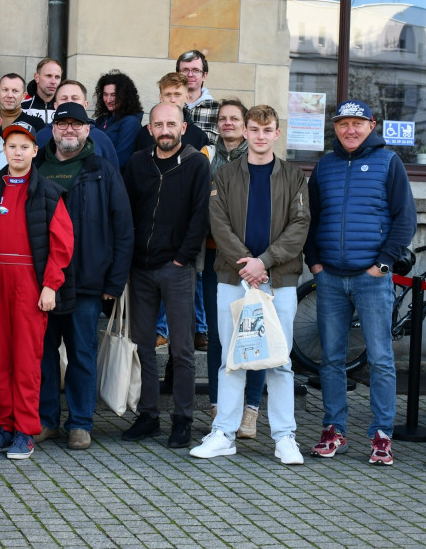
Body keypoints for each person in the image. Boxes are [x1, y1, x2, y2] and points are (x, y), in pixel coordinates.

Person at [191, 104, 310, 465]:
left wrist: (265, 262)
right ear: (245, 132)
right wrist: (248, 264)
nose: (260, 136)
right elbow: (218, 223)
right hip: (232, 277)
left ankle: (284, 437)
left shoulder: (294, 176)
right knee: (232, 357)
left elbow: (300, 225)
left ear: (276, 133)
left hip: (280, 279)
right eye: (253, 130)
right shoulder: (226, 175)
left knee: (279, 360)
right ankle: (224, 434)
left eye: (267, 130)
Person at [304, 100, 417, 466]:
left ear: (372, 125)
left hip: (371, 279)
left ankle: (382, 435)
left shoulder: (388, 163)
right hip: (331, 278)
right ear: (334, 127)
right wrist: (315, 264)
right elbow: (310, 218)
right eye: (342, 124)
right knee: (331, 358)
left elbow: (405, 220)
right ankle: (334, 429)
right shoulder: (324, 166)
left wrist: (382, 265)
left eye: (357, 123)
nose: (349, 130)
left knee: (381, 358)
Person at [35, 103, 133, 450]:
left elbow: (123, 227)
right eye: (63, 124)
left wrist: (114, 282)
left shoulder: (102, 169)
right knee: (43, 355)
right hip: (41, 280)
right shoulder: (35, 166)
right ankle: (46, 420)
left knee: (82, 354)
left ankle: (80, 423)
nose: (69, 130)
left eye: (77, 125)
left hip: (88, 279)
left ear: (88, 130)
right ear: (53, 129)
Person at [0, 121, 74, 460]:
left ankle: (25, 431)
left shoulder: (48, 191)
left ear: (35, 151)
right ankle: (4, 426)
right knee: (1, 358)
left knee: (27, 361)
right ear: (3, 150)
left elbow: (61, 245)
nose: (17, 152)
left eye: (24, 147)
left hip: (30, 284)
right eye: (11, 146)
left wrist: (50, 285)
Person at [122, 103, 210, 449]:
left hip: (176, 269)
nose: (165, 130)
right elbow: (125, 211)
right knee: (143, 345)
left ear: (183, 128)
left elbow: (200, 216)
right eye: (158, 124)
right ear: (149, 128)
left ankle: (183, 420)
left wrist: (181, 259)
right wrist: (128, 261)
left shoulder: (196, 164)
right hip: (140, 269)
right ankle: (148, 416)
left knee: (183, 349)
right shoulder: (138, 164)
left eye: (171, 123)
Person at [201, 100, 257, 430]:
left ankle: (250, 409)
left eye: (234, 118)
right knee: (219, 334)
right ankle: (218, 406)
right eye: (222, 119)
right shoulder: (207, 156)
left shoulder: (259, 156)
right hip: (215, 255)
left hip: (255, 259)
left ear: (245, 123)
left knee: (252, 333)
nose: (227, 123)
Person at [33, 80, 119, 168]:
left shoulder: (101, 138)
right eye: (64, 98)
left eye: (75, 98)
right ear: (55, 105)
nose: (69, 102)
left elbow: (113, 176)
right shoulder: (41, 136)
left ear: (85, 105)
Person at [133, 72, 209, 153]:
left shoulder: (199, 137)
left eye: (177, 94)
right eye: (168, 95)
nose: (172, 100)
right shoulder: (145, 134)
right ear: (161, 98)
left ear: (186, 97)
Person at [93, 70, 143, 170]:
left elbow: (121, 160)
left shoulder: (130, 122)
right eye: (105, 94)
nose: (108, 100)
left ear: (125, 96)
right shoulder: (101, 120)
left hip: (112, 179)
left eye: (113, 95)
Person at [176, 49, 220, 144]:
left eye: (196, 70)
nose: (190, 75)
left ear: (204, 75)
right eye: (185, 70)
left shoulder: (217, 110)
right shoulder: (167, 106)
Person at [21, 58, 63, 124]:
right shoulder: (22, 107)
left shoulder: (64, 108)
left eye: (57, 77)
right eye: (49, 76)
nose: (53, 82)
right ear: (37, 77)